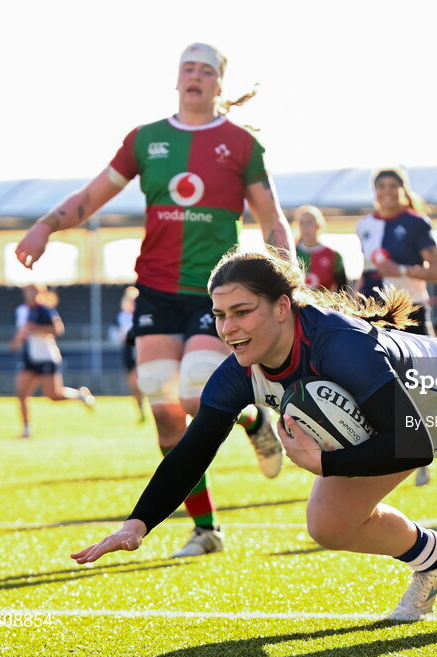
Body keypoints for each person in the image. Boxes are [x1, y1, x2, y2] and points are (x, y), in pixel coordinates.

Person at [71, 248, 437, 621]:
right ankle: (434, 559)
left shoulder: (341, 346)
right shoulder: (241, 369)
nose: (229, 328)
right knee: (328, 524)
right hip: (396, 420)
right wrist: (139, 522)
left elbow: (413, 445)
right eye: (220, 315)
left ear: (283, 305)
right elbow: (193, 447)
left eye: (243, 312)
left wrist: (324, 465)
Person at [15, 43, 293, 558]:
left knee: (194, 398)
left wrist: (287, 269)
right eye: (187, 68)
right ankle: (206, 529)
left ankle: (255, 418)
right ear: (177, 79)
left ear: (218, 85)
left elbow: (271, 218)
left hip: (218, 292)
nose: (195, 76)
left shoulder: (240, 144)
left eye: (206, 70)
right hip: (156, 291)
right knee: (165, 411)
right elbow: (90, 196)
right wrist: (45, 225)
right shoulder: (146, 139)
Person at [356, 167, 437, 487]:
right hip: (374, 315)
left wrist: (401, 269)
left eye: (393, 185)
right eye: (381, 185)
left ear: (402, 190)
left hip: (410, 312)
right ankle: (378, 454)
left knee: (418, 386)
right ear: (374, 190)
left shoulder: (415, 222)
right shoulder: (364, 225)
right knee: (373, 386)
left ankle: (423, 455)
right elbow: (366, 272)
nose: (387, 191)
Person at [9, 284, 94, 438]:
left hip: (46, 357)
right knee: (21, 394)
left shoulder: (45, 310)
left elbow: (58, 329)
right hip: (29, 358)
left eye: (34, 290)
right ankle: (27, 429)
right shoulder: (22, 311)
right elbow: (21, 333)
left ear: (40, 293)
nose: (30, 293)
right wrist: (16, 342)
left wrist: (36, 328)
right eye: (28, 290)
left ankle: (78, 395)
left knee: (53, 396)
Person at [295, 205, 348, 291]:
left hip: (324, 303)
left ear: (318, 225)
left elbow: (343, 289)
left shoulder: (333, 255)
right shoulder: (291, 254)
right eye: (302, 223)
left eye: (309, 222)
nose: (305, 227)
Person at [114, 286, 146, 423]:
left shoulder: (143, 315)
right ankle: (140, 410)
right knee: (134, 385)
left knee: (145, 381)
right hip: (129, 350)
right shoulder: (122, 317)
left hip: (143, 349)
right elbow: (117, 334)